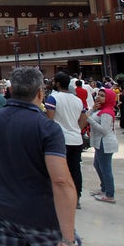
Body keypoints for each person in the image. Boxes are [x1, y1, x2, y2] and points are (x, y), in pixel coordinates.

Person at [0, 67, 84, 246]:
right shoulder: (47, 128)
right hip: (42, 217)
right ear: (40, 92)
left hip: (3, 212)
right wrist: (67, 238)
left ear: (11, 90)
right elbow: (61, 181)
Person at [45, 72, 87, 208]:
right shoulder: (77, 100)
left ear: (57, 83)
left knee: (58, 170)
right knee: (75, 169)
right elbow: (84, 119)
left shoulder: (53, 99)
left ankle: (59, 197)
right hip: (76, 139)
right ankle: (77, 198)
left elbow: (49, 120)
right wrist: (75, 129)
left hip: (59, 140)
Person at [86, 88, 118, 203]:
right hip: (100, 143)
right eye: (98, 95)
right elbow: (87, 115)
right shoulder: (100, 110)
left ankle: (109, 194)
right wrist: (92, 109)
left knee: (105, 169)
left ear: (108, 98)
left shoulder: (107, 113)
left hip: (105, 143)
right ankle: (104, 188)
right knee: (98, 165)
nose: (99, 97)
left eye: (102, 95)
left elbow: (104, 130)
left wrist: (89, 120)